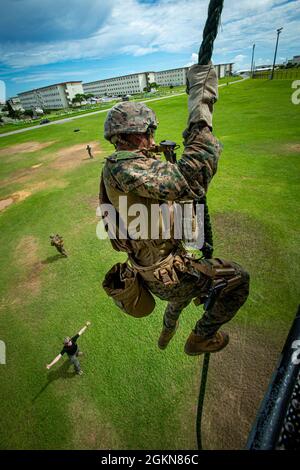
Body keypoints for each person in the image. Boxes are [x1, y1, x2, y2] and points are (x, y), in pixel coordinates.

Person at [100, 62, 250, 355]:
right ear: (133, 133)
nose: (153, 140)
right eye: (150, 133)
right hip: (169, 276)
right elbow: (186, 180)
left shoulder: (124, 167)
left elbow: (173, 199)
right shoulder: (123, 166)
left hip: (161, 272)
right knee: (239, 278)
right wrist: (200, 113)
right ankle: (201, 338)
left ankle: (166, 332)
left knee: (179, 299)